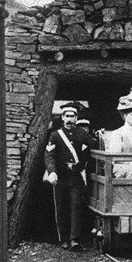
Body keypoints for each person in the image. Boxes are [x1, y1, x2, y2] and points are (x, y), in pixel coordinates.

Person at [44, 102, 99, 251]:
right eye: (67, 116)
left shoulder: (81, 133)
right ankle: (63, 239)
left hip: (75, 177)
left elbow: (94, 144)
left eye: (72, 116)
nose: (69, 119)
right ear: (62, 117)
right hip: (60, 177)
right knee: (61, 208)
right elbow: (49, 155)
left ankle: (75, 239)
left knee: (76, 207)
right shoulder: (55, 135)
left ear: (76, 118)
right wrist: (52, 171)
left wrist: (101, 137)